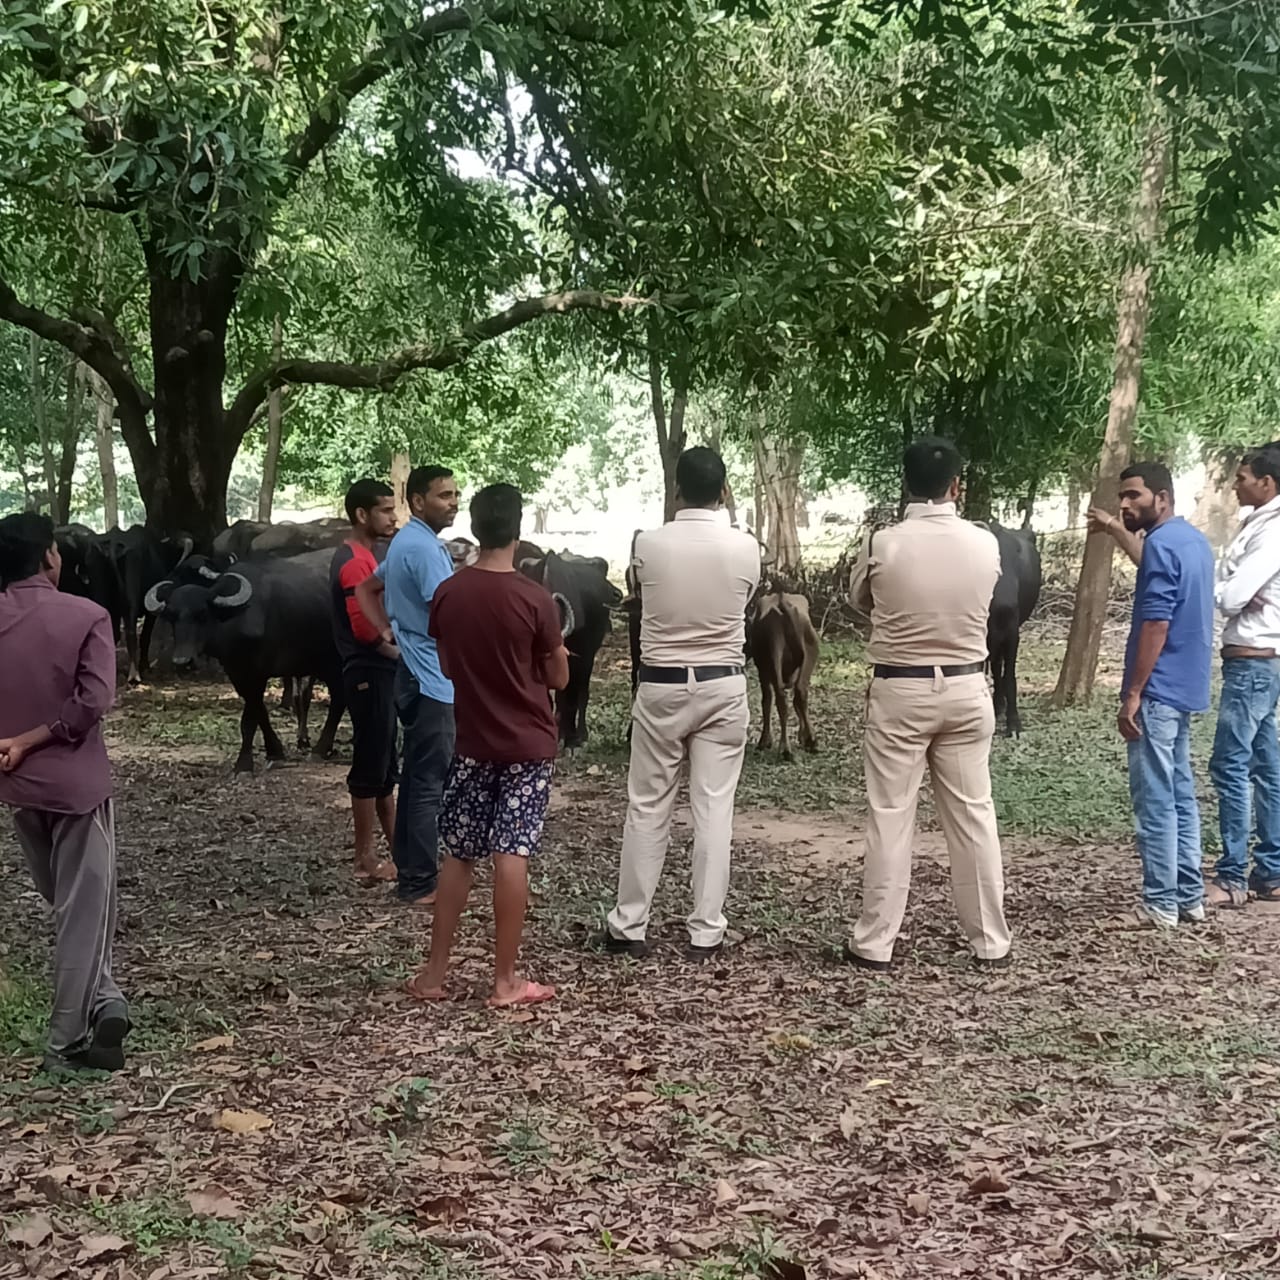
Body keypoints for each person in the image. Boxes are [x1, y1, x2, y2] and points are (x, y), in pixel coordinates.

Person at [845, 436, 1011, 970]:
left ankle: (875, 942)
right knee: (973, 817)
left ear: (905, 483)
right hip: (967, 689)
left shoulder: (883, 543)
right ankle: (990, 940)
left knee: (891, 816)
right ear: (956, 486)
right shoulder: (985, 543)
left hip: (901, 691)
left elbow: (858, 599)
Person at [405, 484, 568, 1007]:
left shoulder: (450, 593)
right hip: (527, 748)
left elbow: (449, 665)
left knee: (458, 855)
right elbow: (558, 676)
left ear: (474, 528)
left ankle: (434, 975)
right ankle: (505, 981)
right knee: (512, 853)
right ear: (518, 531)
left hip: (471, 745)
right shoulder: (534, 599)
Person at [601, 446, 761, 961]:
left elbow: (641, 589)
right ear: (723, 492)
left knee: (648, 805)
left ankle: (629, 923)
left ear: (675, 490)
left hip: (662, 685)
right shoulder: (745, 547)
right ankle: (706, 930)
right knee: (714, 808)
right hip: (723, 684)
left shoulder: (649, 543)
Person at [0, 513, 130, 1072]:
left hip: (17, 788)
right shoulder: (87, 615)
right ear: (50, 557)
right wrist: (35, 738)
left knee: (70, 904)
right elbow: (92, 702)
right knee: (84, 911)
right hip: (76, 787)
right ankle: (64, 1041)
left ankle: (106, 999)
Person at [1090, 461, 1214, 928]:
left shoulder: (1163, 545)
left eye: (1135, 497)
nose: (1125, 504)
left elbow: (1156, 623)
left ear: (1162, 498)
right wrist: (1114, 529)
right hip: (1187, 686)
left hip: (1158, 691)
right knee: (1181, 794)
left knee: (1156, 799)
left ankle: (1160, 902)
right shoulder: (1193, 543)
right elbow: (1152, 564)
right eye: (1123, 497)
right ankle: (1189, 897)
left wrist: (1133, 693)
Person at [356, 465, 459, 907]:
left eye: (456, 495)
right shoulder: (422, 549)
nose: (453, 502)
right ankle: (419, 881)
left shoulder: (407, 542)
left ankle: (416, 872)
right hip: (432, 679)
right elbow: (450, 612)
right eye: (443, 496)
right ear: (417, 502)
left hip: (414, 672)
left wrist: (386, 631)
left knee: (420, 778)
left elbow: (367, 589)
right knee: (427, 782)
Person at [1207, 444, 1280, 907]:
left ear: (1267, 483)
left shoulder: (1271, 532)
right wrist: (1230, 589)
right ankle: (1271, 872)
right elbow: (1234, 591)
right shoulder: (1258, 525)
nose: (1236, 484)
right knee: (1266, 767)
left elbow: (1233, 596)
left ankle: (1232, 876)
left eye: (1243, 477)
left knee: (1230, 765)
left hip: (1253, 661)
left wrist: (1217, 588)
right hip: (1258, 660)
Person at [330, 478, 402, 883]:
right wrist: (403, 656)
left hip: (373, 673)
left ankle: (395, 850)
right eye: (386, 510)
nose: (393, 517)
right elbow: (366, 631)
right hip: (369, 672)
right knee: (370, 766)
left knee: (383, 764)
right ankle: (364, 859)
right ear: (362, 515)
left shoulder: (359, 556)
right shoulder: (357, 564)